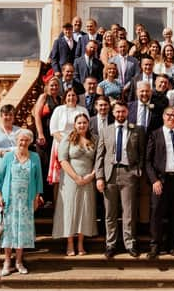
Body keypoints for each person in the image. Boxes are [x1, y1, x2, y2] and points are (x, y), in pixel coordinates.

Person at [95, 101, 147, 258]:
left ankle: (129, 243)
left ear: (127, 113)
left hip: (128, 173)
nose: (120, 115)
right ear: (113, 113)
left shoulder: (137, 130)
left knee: (128, 212)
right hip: (109, 174)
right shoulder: (106, 131)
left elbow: (142, 153)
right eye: (117, 112)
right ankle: (110, 244)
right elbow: (100, 155)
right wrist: (99, 176)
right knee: (110, 213)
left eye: (123, 112)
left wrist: (137, 171)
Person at [0, 129, 43, 276]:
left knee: (22, 232)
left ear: (30, 141)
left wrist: (36, 198)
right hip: (9, 201)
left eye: (26, 140)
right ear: (16, 140)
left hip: (26, 202)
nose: (23, 142)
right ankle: (7, 261)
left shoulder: (35, 157)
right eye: (21, 140)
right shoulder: (8, 157)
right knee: (8, 231)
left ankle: (19, 261)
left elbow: (38, 179)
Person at [52, 113, 97, 256]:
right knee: (70, 209)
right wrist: (76, 177)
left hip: (88, 179)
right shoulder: (67, 139)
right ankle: (70, 243)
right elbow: (63, 160)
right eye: (79, 123)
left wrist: (92, 175)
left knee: (85, 210)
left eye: (84, 122)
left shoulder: (94, 139)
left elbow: (99, 159)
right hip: (71, 179)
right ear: (75, 124)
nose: (82, 125)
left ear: (88, 124)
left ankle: (80, 243)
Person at [146, 107, 174, 258]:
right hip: (160, 180)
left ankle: (172, 245)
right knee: (156, 213)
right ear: (163, 116)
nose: (171, 118)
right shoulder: (155, 134)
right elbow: (148, 161)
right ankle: (155, 246)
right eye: (168, 115)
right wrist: (154, 180)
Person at [48, 89, 88, 195]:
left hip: (78, 145)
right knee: (59, 178)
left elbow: (86, 128)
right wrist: (66, 144)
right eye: (69, 95)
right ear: (65, 97)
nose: (71, 97)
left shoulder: (82, 110)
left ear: (77, 97)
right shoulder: (59, 109)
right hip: (60, 144)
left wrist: (75, 144)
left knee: (75, 172)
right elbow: (54, 130)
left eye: (73, 95)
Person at [32, 74, 61, 204]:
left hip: (54, 137)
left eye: (56, 85)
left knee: (52, 164)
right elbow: (37, 115)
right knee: (43, 164)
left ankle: (50, 196)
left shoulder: (60, 99)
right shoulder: (43, 97)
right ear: (47, 86)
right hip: (44, 135)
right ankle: (41, 195)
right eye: (52, 85)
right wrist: (40, 133)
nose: (54, 87)